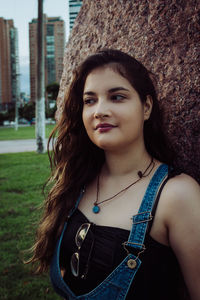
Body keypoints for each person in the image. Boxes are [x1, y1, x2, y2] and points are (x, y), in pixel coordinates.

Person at [28, 49, 200, 299]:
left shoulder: (178, 195)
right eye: (90, 100)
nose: (99, 111)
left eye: (117, 97)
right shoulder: (77, 181)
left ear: (147, 107)